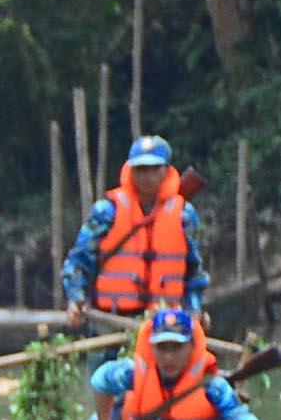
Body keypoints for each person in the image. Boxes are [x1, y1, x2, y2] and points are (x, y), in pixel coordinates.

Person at [77, 305, 278, 420]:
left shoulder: (212, 386)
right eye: (162, 348)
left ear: (191, 346)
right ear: (151, 347)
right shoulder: (133, 374)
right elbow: (100, 380)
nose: (169, 357)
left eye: (177, 347)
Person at [62, 135, 199, 323]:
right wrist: (76, 299)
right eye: (140, 169)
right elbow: (78, 261)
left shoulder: (185, 214)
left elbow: (194, 271)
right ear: (131, 170)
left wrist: (194, 307)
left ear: (166, 170)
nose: (147, 177)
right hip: (110, 319)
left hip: (165, 325)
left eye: (154, 169)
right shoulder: (107, 210)